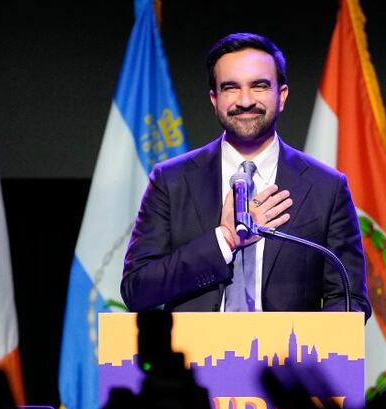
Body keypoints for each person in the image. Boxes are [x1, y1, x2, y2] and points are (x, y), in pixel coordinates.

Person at [120, 32, 371, 317]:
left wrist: (302, 349)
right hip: (192, 359)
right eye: (231, 88)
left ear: (282, 95)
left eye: (260, 86)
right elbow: (137, 290)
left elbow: (349, 300)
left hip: (288, 359)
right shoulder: (171, 181)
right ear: (214, 99)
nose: (245, 100)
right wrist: (224, 240)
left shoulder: (326, 188)